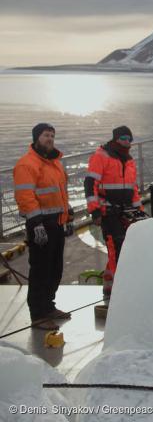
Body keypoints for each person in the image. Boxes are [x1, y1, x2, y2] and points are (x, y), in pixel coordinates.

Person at [13, 123, 73, 330]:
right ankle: (38, 315)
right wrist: (36, 224)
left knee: (54, 269)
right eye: (46, 135)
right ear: (36, 138)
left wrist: (69, 217)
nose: (50, 139)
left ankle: (48, 306)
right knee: (40, 270)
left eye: (52, 135)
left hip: (56, 223)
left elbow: (62, 192)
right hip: (41, 226)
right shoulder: (27, 164)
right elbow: (25, 196)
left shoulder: (55, 163)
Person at [84, 125, 143, 299]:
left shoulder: (129, 159)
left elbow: (132, 188)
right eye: (124, 138)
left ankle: (109, 285)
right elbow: (90, 183)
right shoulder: (102, 156)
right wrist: (94, 210)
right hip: (107, 211)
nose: (127, 142)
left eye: (130, 139)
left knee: (125, 247)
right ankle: (121, 291)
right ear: (115, 138)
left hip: (126, 211)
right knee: (116, 247)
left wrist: (138, 209)